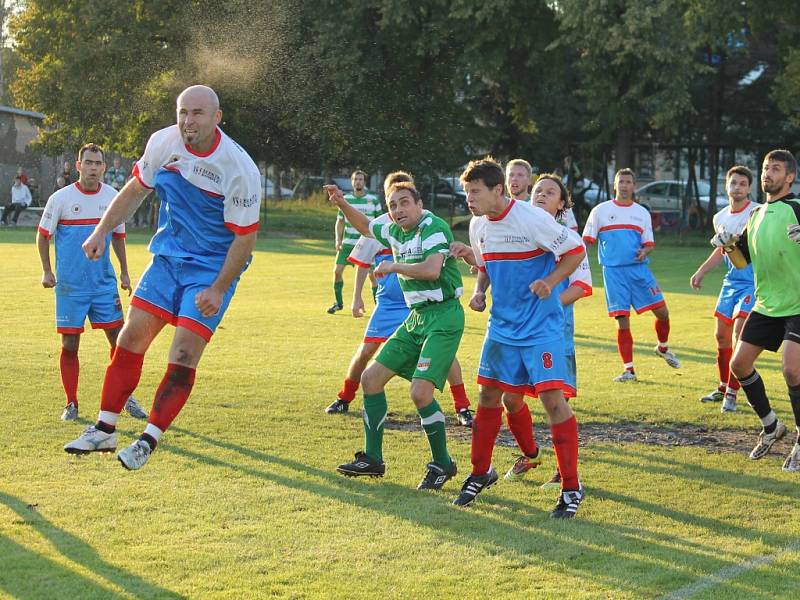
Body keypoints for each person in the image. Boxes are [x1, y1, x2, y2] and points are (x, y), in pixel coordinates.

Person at [63, 85, 262, 471]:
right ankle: (105, 428)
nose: (188, 121)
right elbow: (135, 190)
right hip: (168, 259)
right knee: (130, 336)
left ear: (217, 118)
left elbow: (246, 238)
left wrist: (219, 288)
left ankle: (148, 439)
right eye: (183, 112)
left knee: (184, 352)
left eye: (198, 113)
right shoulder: (163, 143)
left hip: (211, 269)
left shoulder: (239, 168)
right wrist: (101, 231)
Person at [448, 158, 586, 518]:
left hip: (541, 328)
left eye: (475, 191)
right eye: (467, 192)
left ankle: (571, 488)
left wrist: (551, 282)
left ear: (497, 190)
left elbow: (576, 251)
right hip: (502, 327)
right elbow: (488, 264)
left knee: (553, 401)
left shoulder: (532, 219)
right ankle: (480, 473)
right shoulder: (479, 225)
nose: (469, 199)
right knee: (488, 395)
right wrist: (476, 277)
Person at [326, 180, 463, 490]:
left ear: (418, 204)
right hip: (416, 318)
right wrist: (342, 204)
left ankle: (442, 464)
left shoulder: (434, 226)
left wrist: (392, 266)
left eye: (404, 202)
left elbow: (431, 270)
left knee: (420, 393)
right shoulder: (392, 228)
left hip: (443, 316)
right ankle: (372, 459)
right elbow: (365, 227)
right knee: (371, 380)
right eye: (392, 206)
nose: (398, 210)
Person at [36, 143, 147, 422]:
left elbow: (119, 237)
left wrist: (123, 271)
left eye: (98, 163)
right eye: (88, 162)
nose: (93, 167)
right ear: (78, 166)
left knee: (120, 342)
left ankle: (125, 398)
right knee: (70, 345)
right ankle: (71, 403)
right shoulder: (60, 199)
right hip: (70, 287)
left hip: (103, 285)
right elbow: (42, 236)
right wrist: (47, 271)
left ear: (104, 168)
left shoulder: (113, 197)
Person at [725, 149, 800, 472]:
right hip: (767, 303)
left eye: (776, 169)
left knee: (792, 369)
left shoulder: (797, 209)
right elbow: (742, 261)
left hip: (797, 302)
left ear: (790, 177)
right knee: (738, 364)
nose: (768, 173)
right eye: (766, 168)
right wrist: (728, 245)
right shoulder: (755, 215)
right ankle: (771, 426)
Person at [582, 168, 680, 381]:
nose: (625, 185)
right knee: (622, 320)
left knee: (663, 313)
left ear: (634, 186)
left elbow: (649, 243)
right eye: (621, 182)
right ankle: (629, 370)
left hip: (639, 271)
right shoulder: (600, 211)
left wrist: (644, 251)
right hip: (613, 273)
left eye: (628, 182)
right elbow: (587, 241)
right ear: (615, 185)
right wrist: (578, 264)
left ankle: (662, 347)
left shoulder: (641, 212)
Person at [528, 174, 593, 490]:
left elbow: (581, 286)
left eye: (550, 192)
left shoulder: (569, 238)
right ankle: (530, 453)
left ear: (562, 204)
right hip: (517, 329)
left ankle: (564, 473)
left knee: (556, 399)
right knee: (509, 397)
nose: (541, 194)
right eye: (537, 190)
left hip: (554, 328)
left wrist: (549, 302)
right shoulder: (521, 235)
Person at [690, 166, 758, 412]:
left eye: (742, 183)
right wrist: (701, 271)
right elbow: (722, 249)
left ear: (749, 188)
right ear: (726, 187)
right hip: (732, 281)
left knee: (740, 332)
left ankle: (732, 393)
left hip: (754, 280)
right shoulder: (719, 217)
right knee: (721, 336)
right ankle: (722, 386)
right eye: (733, 183)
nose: (737, 187)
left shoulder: (757, 212)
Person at [328, 170, 381, 314]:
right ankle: (338, 303)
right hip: (348, 243)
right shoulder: (346, 200)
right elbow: (339, 222)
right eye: (356, 179)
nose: (358, 181)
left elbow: (379, 223)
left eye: (361, 179)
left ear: (364, 182)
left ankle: (379, 307)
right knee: (337, 272)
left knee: (373, 275)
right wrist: (338, 240)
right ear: (352, 182)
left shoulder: (373, 200)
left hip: (367, 244)